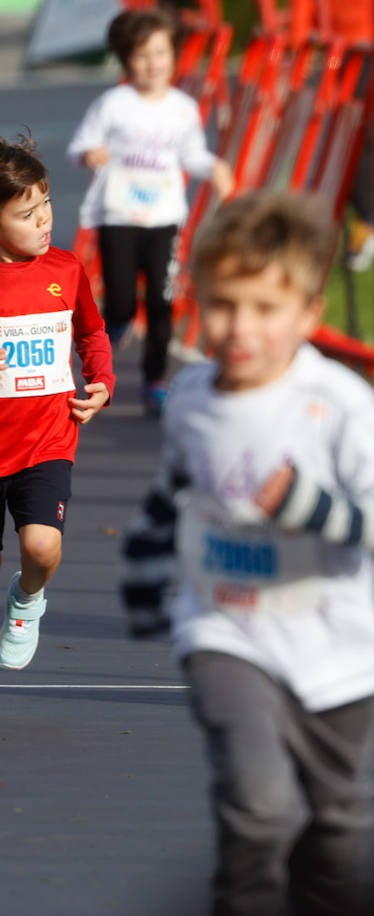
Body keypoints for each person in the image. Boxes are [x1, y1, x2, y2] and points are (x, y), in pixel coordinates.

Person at [118, 190, 374, 915]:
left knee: (336, 819)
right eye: (224, 304)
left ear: (308, 313)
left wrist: (308, 506)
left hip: (334, 645)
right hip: (226, 628)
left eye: (264, 307)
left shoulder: (338, 404)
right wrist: (144, 567)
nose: (239, 327)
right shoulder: (192, 396)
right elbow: (178, 488)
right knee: (258, 805)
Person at [67, 6, 234, 418]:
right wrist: (91, 154)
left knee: (162, 303)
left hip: (164, 219)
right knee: (122, 300)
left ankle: (155, 381)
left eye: (160, 53)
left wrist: (215, 168)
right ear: (127, 60)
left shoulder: (182, 108)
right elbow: (78, 147)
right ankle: (115, 331)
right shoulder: (113, 104)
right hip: (118, 215)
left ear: (174, 57)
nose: (152, 63)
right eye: (142, 55)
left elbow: (191, 155)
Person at [0, 133, 115, 671]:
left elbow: (91, 333)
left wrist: (102, 382)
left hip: (46, 440)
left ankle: (27, 601)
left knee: (43, 548)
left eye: (46, 205)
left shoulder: (66, 271)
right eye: (27, 214)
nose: (44, 220)